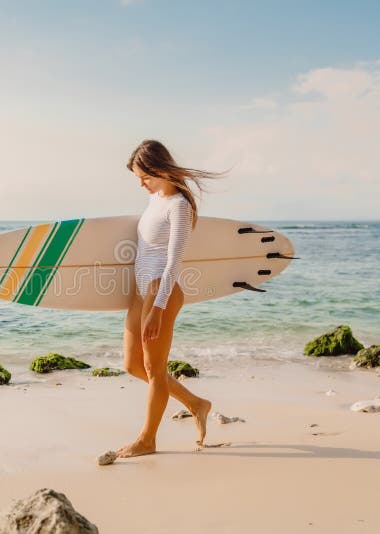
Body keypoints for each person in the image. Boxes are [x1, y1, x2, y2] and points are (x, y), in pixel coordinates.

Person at [117, 139, 228, 458]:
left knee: (154, 369)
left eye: (144, 176)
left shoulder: (179, 205)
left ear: (161, 169)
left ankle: (147, 439)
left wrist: (158, 308)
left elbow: (173, 262)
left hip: (160, 290)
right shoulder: (155, 198)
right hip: (141, 291)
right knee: (132, 365)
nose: (141, 183)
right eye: (138, 178)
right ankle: (196, 403)